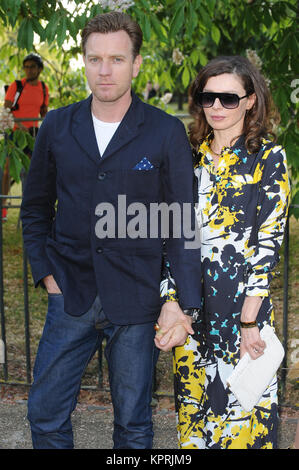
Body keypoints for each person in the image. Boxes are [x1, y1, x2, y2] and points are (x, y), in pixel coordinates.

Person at [20, 12, 202, 449]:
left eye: (117, 59)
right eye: (95, 59)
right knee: (45, 416)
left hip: (138, 298)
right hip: (70, 293)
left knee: (135, 426)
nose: (105, 70)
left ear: (136, 64)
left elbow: (182, 223)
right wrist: (47, 274)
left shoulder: (164, 131)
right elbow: (35, 209)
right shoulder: (57, 126)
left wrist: (182, 303)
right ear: (83, 61)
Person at [155, 55, 290, 449]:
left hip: (242, 315)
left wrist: (250, 322)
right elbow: (170, 235)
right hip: (191, 316)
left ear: (250, 100)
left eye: (228, 98)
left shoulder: (269, 159)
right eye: (207, 97)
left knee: (243, 424)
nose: (216, 107)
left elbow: (268, 244)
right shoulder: (187, 158)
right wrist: (169, 301)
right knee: (196, 428)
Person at [2, 53, 49, 219]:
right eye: (26, 67)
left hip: (32, 135)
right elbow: (6, 110)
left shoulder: (43, 88)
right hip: (15, 133)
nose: (29, 70)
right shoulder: (17, 86)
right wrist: (19, 124)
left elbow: (43, 111)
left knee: (30, 172)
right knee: (8, 171)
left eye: (32, 67)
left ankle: (28, 209)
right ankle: (3, 210)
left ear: (40, 69)